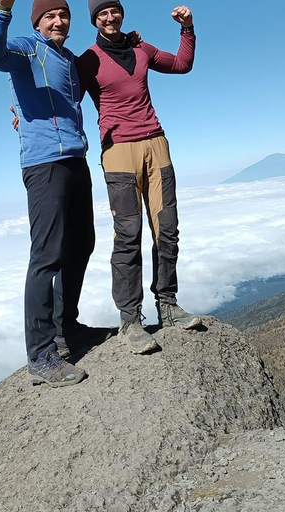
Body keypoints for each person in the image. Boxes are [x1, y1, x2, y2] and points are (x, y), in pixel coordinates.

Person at [0, 0, 95, 386]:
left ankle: (67, 328)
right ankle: (41, 353)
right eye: (50, 16)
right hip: (44, 164)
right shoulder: (27, 49)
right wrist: (1, 10)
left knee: (81, 244)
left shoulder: (69, 58)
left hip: (75, 157)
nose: (59, 20)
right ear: (38, 23)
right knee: (46, 255)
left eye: (64, 15)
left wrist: (128, 38)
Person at [78, 1, 201, 354]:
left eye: (114, 10)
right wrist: (24, 114)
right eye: (102, 13)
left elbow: (181, 64)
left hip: (155, 144)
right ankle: (130, 321)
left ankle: (168, 304)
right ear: (94, 20)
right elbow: (66, 97)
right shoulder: (87, 60)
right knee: (128, 235)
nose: (109, 17)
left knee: (168, 228)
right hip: (118, 152)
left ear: (121, 13)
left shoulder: (141, 48)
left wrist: (188, 28)